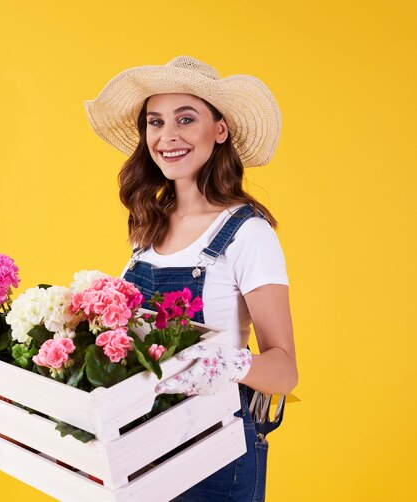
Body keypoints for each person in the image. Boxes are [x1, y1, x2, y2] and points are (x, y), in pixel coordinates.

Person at [84, 56, 298, 501]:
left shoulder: (247, 233)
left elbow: (285, 371)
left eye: (186, 118)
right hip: (144, 448)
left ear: (219, 130)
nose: (168, 136)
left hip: (216, 456)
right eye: (155, 122)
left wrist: (231, 365)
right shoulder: (148, 229)